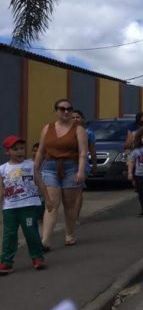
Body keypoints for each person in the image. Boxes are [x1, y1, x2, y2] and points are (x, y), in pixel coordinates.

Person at [33, 98, 88, 250]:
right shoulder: (47, 128)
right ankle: (45, 240)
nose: (66, 112)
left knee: (69, 204)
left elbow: (83, 153)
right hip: (50, 167)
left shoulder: (78, 129)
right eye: (62, 109)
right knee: (51, 204)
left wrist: (81, 171)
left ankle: (69, 233)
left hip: (71, 167)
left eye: (69, 109)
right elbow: (41, 150)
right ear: (56, 111)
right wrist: (34, 169)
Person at [0, 136, 53, 274]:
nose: (20, 152)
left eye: (22, 148)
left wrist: (47, 199)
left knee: (31, 232)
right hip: (10, 208)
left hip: (28, 206)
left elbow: (40, 182)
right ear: (7, 151)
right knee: (9, 234)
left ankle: (37, 257)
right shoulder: (3, 169)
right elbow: (1, 190)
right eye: (15, 149)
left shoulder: (30, 165)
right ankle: (6, 262)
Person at [71, 110, 97, 225]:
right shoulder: (65, 131)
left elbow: (92, 150)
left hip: (82, 164)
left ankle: (75, 217)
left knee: (78, 190)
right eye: (73, 117)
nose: (75, 119)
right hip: (67, 163)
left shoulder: (88, 133)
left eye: (78, 117)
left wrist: (94, 165)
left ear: (82, 119)